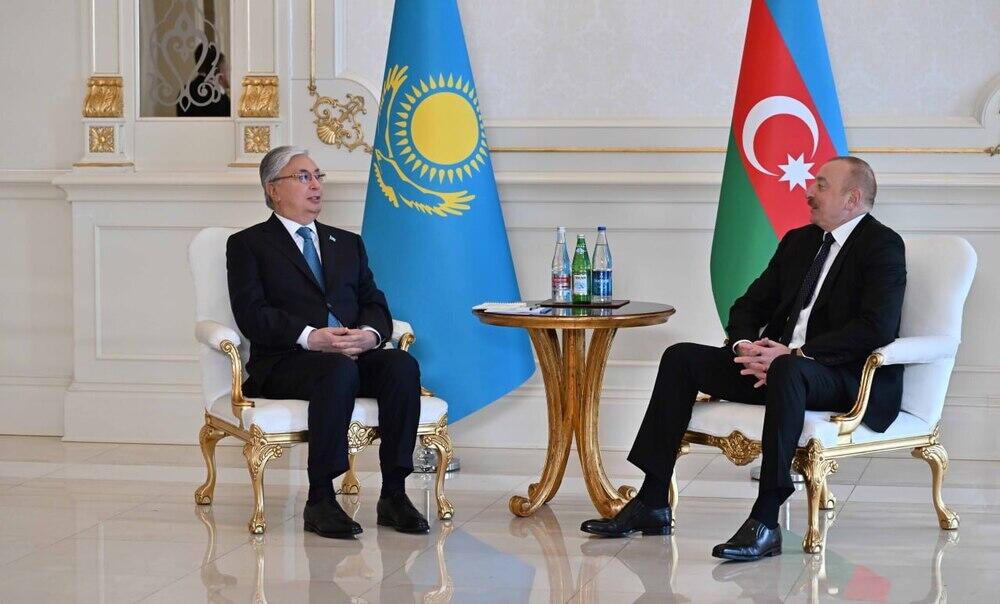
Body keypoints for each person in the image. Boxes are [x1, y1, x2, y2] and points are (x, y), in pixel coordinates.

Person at [580, 156, 906, 561]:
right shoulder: (799, 242)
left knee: (787, 369)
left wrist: (796, 354)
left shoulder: (882, 246)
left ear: (852, 198)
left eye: (821, 185)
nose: (809, 192)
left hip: (838, 376)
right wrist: (746, 347)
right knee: (681, 358)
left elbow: (876, 328)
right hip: (779, 369)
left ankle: (766, 521)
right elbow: (748, 306)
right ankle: (652, 501)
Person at [227, 145, 428, 538]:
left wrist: (369, 336)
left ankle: (394, 494)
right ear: (273, 189)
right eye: (303, 177)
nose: (316, 185)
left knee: (401, 366)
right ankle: (320, 498)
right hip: (286, 361)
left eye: (318, 176)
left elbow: (374, 302)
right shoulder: (248, 244)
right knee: (335, 371)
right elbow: (252, 314)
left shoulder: (347, 243)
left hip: (349, 356)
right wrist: (309, 337)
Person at [176, 43, 231, 117]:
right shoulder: (218, 97)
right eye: (228, 68)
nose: (230, 73)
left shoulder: (184, 91)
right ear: (220, 69)